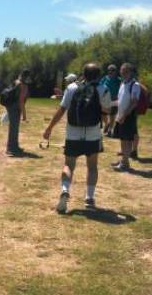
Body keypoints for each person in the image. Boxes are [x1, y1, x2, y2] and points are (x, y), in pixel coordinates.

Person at [43, 63, 112, 214]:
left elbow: (62, 109)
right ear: (99, 75)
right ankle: (89, 197)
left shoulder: (72, 88)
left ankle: (65, 190)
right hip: (93, 133)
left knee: (68, 165)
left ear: (83, 74)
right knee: (92, 166)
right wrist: (107, 123)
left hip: (73, 132)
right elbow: (106, 111)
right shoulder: (103, 89)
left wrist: (49, 128)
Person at [112, 63, 140, 171]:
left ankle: (125, 163)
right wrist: (108, 104)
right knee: (123, 140)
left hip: (128, 116)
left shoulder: (135, 85)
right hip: (121, 115)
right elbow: (120, 101)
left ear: (130, 72)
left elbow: (134, 103)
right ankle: (124, 160)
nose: (123, 73)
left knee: (127, 140)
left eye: (126, 71)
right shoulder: (123, 83)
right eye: (122, 71)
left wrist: (124, 115)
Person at [6, 69, 31, 156]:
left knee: (14, 128)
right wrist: (24, 115)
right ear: (26, 77)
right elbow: (21, 101)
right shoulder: (23, 86)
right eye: (29, 77)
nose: (29, 79)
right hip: (15, 108)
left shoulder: (17, 82)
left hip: (11, 106)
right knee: (13, 128)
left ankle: (15, 146)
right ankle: (10, 149)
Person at [99, 64, 121, 136]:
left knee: (112, 115)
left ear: (115, 71)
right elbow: (100, 86)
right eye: (109, 70)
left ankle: (110, 130)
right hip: (105, 99)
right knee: (102, 114)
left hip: (115, 99)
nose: (110, 72)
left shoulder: (119, 80)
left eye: (112, 70)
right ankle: (107, 123)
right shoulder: (104, 78)